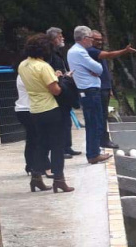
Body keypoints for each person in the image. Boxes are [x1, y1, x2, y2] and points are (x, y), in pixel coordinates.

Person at [18, 34, 73, 193]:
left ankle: (36, 177)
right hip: (50, 109)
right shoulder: (43, 66)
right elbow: (55, 91)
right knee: (57, 145)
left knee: (41, 144)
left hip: (35, 109)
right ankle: (59, 180)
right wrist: (62, 79)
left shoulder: (23, 65)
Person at [67, 26, 111, 165]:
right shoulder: (80, 52)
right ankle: (93, 154)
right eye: (91, 38)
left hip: (88, 90)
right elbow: (99, 68)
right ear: (85, 39)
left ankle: (94, 151)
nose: (92, 41)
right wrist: (96, 71)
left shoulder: (74, 51)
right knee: (94, 122)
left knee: (95, 121)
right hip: (90, 91)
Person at [88, 31, 136, 149]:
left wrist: (109, 87)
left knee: (103, 115)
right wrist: (125, 51)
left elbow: (105, 70)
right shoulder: (92, 51)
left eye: (101, 39)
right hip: (98, 89)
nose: (99, 41)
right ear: (89, 39)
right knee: (100, 116)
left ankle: (103, 140)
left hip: (104, 87)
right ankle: (102, 141)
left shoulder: (97, 51)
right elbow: (110, 55)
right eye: (96, 39)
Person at [46, 27, 80, 158]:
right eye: (60, 37)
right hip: (58, 89)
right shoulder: (49, 53)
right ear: (54, 39)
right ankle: (61, 149)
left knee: (66, 120)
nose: (63, 39)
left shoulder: (58, 52)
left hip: (64, 85)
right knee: (60, 122)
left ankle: (67, 146)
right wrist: (60, 76)